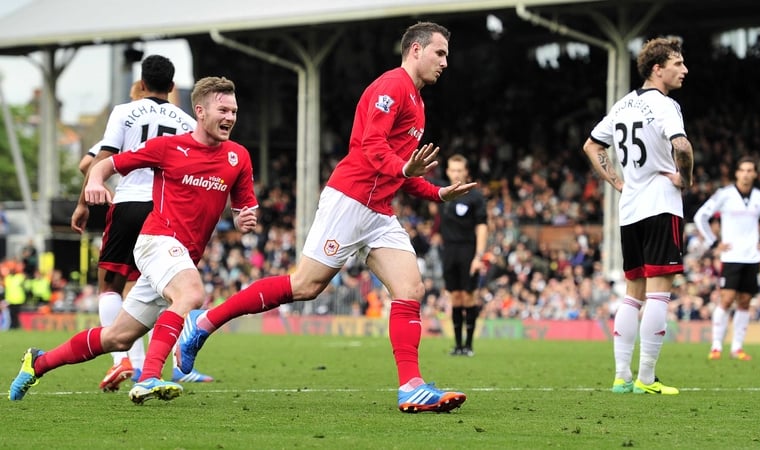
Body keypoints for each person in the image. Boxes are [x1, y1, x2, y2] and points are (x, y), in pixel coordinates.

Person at [175, 22, 472, 413]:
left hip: (379, 210)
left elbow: (403, 170)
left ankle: (410, 386)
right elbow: (372, 148)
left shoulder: (417, 103)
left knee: (410, 289)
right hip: (349, 200)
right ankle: (205, 322)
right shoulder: (391, 87)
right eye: (440, 53)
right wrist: (403, 172)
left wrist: (437, 192)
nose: (445, 62)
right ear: (415, 50)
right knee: (304, 285)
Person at [9, 76, 258, 403]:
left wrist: (244, 218)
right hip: (156, 240)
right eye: (222, 110)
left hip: (181, 255)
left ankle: (37, 363)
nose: (229, 118)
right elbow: (106, 164)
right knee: (192, 292)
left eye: (234, 112)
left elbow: (243, 209)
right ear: (200, 111)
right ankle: (151, 377)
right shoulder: (170, 147)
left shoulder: (238, 157)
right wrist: (94, 184)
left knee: (117, 338)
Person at [72, 65, 213, 391]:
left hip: (129, 204)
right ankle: (165, 366)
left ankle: (122, 360)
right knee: (160, 292)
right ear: (172, 85)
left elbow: (98, 159)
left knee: (110, 285)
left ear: (143, 83)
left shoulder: (124, 112)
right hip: (166, 211)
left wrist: (83, 204)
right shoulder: (188, 122)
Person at [583, 37, 694, 395]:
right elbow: (682, 146)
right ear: (657, 69)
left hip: (629, 209)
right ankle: (646, 377)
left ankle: (621, 377)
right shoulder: (665, 105)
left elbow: (591, 144)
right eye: (678, 63)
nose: (685, 70)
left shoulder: (622, 106)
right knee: (660, 292)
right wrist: (685, 180)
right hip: (661, 204)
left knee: (633, 292)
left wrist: (617, 181)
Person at [693, 156, 760, 360]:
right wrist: (713, 243)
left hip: (752, 257)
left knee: (745, 301)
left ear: (755, 174)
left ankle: (737, 347)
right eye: (743, 170)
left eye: (750, 170)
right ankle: (716, 345)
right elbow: (700, 216)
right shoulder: (725, 194)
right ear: (737, 173)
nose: (747, 174)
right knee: (727, 299)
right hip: (731, 256)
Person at [436, 154, 487, 357]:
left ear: (466, 172)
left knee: (469, 297)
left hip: (468, 250)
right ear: (447, 171)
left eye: (459, 170)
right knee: (455, 297)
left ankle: (469, 345)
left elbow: (482, 227)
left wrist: (479, 256)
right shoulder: (441, 193)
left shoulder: (475, 196)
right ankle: (457, 346)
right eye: (452, 170)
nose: (456, 173)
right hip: (449, 250)